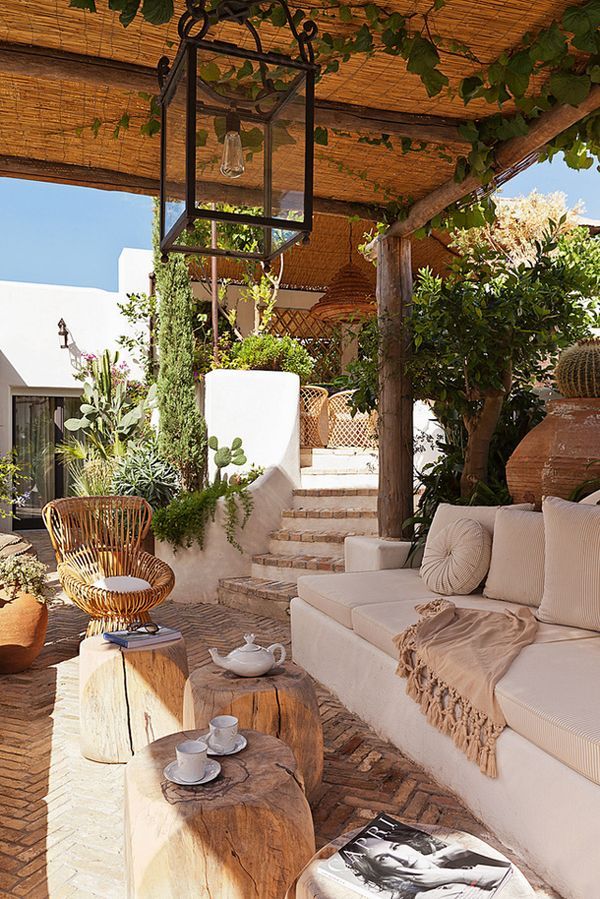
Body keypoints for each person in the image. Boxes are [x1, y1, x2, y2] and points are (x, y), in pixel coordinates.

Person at [346, 830, 510, 899]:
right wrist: (455, 875)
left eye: (395, 847)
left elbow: (508, 872)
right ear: (381, 872)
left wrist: (442, 857)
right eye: (383, 859)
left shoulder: (454, 863)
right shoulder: (429, 896)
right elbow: (510, 883)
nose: (401, 858)